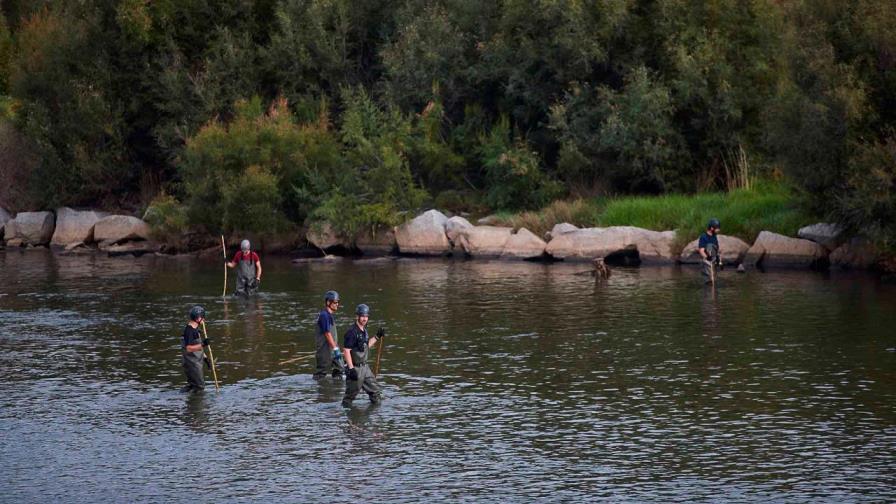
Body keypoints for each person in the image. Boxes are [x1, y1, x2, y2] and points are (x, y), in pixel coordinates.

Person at [341, 303, 384, 408]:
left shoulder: (364, 331)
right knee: (349, 398)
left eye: (366, 316)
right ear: (357, 316)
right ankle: (347, 418)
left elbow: (366, 345)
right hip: (355, 368)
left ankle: (373, 416)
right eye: (362, 316)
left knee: (375, 392)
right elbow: (346, 351)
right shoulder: (351, 332)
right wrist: (351, 369)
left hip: (365, 368)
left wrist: (377, 337)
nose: (364, 318)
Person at [314, 290, 344, 379]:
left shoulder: (329, 315)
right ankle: (320, 390)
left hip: (332, 349)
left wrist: (336, 348)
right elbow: (327, 333)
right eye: (335, 302)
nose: (337, 304)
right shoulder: (324, 315)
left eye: (338, 302)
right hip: (325, 351)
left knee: (340, 369)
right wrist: (335, 348)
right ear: (328, 302)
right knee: (321, 374)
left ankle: (336, 391)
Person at [181, 305, 210, 393]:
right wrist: (203, 344)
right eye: (203, 318)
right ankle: (196, 405)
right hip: (192, 364)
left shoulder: (195, 329)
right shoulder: (189, 331)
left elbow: (197, 346)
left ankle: (189, 402)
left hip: (195, 362)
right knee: (199, 387)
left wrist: (205, 358)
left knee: (192, 386)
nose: (204, 320)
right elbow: (189, 348)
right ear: (198, 319)